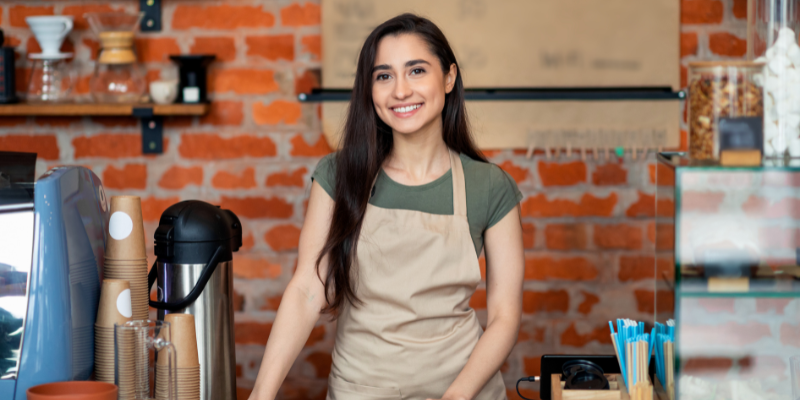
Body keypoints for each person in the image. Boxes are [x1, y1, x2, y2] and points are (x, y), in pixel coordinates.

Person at [248, 13, 524, 400]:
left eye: (416, 71)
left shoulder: (489, 186)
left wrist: (456, 396)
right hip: (361, 389)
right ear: (369, 90)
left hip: (462, 390)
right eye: (384, 76)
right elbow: (308, 290)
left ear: (448, 78)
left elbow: (504, 317)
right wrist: (261, 394)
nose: (400, 91)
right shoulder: (339, 174)